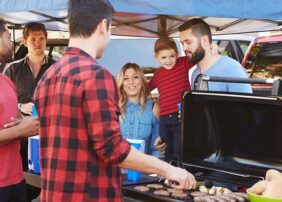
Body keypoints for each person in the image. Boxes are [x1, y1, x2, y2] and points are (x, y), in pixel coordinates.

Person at [33, 0, 196, 201]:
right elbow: (112, 148)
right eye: (110, 30)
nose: (109, 38)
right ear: (103, 26)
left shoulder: (48, 76)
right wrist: (170, 170)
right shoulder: (96, 75)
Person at [3, 22, 55, 201]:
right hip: (19, 144)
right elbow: (5, 102)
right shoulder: (12, 70)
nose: (38, 43)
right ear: (25, 42)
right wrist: (20, 107)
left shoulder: (56, 69)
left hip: (49, 139)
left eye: (42, 39)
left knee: (47, 189)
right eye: (33, 39)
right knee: (27, 185)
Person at [0, 18, 39, 202]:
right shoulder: (12, 71)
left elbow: (16, 123)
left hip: (17, 179)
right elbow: (17, 129)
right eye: (8, 37)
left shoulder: (6, 81)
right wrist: (21, 129)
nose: (11, 43)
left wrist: (25, 125)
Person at [149, 37, 194, 161]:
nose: (168, 61)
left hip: (180, 116)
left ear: (177, 54)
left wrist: (212, 49)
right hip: (164, 119)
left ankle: (181, 176)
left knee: (180, 151)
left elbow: (198, 57)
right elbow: (146, 88)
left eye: (172, 56)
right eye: (163, 57)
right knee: (168, 151)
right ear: (156, 57)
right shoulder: (158, 74)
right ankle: (171, 178)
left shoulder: (184, 63)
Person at [178, 18, 252, 93]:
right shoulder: (195, 74)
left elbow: (246, 104)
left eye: (188, 42)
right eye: (182, 43)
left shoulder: (232, 69)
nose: (184, 48)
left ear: (204, 41)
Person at [117, 63, 165, 157]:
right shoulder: (113, 108)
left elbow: (155, 149)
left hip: (144, 168)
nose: (131, 82)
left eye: (135, 77)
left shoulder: (153, 108)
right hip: (117, 168)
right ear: (122, 84)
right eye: (126, 78)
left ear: (142, 81)